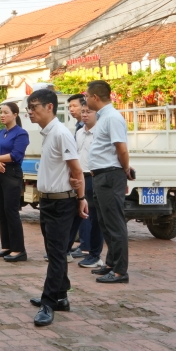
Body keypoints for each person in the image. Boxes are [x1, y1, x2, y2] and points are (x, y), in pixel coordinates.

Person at [26, 87, 87, 327]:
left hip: (62, 203)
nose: (30, 112)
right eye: (29, 108)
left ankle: (48, 302)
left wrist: (81, 199)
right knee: (55, 252)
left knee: (57, 254)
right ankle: (61, 296)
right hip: (49, 201)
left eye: (34, 107)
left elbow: (77, 170)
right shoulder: (48, 133)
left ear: (49, 107)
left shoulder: (61, 133)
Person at [84, 80, 133, 284]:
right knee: (105, 222)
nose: (85, 99)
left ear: (95, 97)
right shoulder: (103, 117)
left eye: (87, 96)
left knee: (115, 223)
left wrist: (125, 168)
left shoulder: (112, 117)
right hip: (101, 175)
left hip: (110, 175)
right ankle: (111, 263)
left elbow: (121, 148)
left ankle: (120, 271)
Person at [0, 102, 30, 262]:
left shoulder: (21, 133)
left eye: (6, 112)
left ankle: (19, 249)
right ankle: (6, 246)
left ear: (15, 114)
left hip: (11, 174)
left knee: (11, 210)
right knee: (2, 210)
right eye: (1, 112)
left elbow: (16, 155)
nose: (2, 115)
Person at [75, 101, 104, 269]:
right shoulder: (79, 133)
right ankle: (82, 247)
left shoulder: (100, 133)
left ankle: (95, 254)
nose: (85, 115)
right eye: (83, 111)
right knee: (79, 214)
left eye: (89, 112)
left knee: (94, 218)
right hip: (80, 178)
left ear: (97, 114)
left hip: (93, 176)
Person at [66, 93, 89, 259]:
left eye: (74, 106)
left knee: (85, 210)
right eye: (69, 107)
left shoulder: (87, 128)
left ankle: (87, 247)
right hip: (80, 172)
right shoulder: (79, 128)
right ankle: (83, 245)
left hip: (87, 173)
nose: (71, 109)